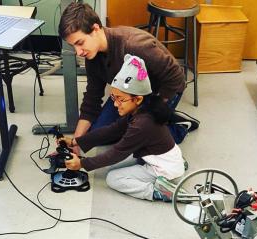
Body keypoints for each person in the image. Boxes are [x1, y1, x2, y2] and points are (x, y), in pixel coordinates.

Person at [61, 54, 185, 202]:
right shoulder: (142, 109)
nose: (115, 104)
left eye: (120, 99)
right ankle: (176, 167)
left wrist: (81, 164)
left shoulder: (141, 124)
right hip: (163, 161)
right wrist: (75, 141)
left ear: (138, 99)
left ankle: (159, 192)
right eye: (114, 98)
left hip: (166, 173)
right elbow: (111, 130)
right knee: (112, 166)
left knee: (113, 178)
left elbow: (116, 153)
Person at [58, 2, 186, 142]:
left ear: (95, 29)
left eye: (80, 43)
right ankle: (158, 121)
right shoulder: (92, 56)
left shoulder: (133, 45)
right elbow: (92, 98)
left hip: (160, 92)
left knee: (138, 136)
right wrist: (76, 142)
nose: (78, 52)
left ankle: (179, 127)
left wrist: (158, 107)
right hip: (128, 93)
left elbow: (176, 76)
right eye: (73, 46)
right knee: (98, 134)